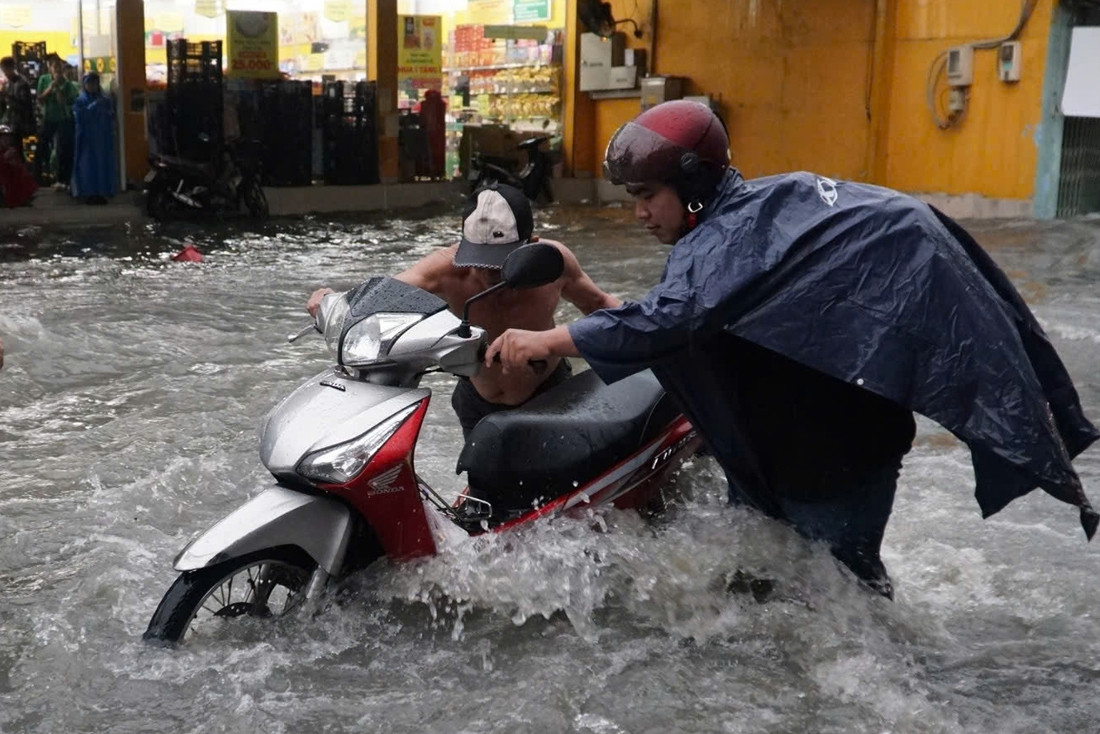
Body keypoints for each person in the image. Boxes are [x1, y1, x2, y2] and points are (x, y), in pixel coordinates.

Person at [486, 100, 1099, 597]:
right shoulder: (752, 223)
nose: (640, 213)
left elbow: (678, 314)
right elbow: (686, 315)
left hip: (835, 460)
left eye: (648, 195)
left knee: (850, 603)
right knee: (754, 589)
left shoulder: (735, 237)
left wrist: (551, 336)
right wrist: (601, 307)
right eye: (633, 199)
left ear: (694, 184)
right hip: (766, 453)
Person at [307, 183, 621, 440]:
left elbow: (600, 306)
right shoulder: (447, 269)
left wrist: (654, 331)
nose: (490, 274)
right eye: (481, 261)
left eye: (503, 262)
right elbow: (383, 295)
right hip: (478, 399)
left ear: (532, 245)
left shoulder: (554, 263)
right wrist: (333, 302)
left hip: (549, 390)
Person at [71, 72, 117, 205]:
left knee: (102, 165)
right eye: (89, 83)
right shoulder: (80, 101)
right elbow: (79, 117)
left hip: (102, 139)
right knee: (87, 166)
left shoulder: (105, 100)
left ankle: (102, 192)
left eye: (94, 83)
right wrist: (92, 107)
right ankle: (87, 193)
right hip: (86, 139)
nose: (92, 86)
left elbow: (111, 116)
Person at [35, 55, 79, 188]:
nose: (57, 72)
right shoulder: (44, 79)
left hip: (62, 119)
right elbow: (40, 98)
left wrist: (58, 87)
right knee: (41, 146)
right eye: (54, 68)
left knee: (62, 148)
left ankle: (61, 178)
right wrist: (50, 87)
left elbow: (63, 102)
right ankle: (39, 175)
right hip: (48, 118)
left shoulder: (67, 84)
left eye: (59, 69)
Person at [0, 56, 34, 161]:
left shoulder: (22, 83)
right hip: (9, 123)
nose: (5, 73)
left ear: (12, 68)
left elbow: (25, 105)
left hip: (20, 124)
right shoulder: (7, 84)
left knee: (17, 152)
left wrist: (8, 96)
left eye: (6, 70)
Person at [0, 124, 38, 207]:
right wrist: (5, 157)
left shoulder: (10, 150)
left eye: (8, 137)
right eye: (3, 137)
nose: (6, 140)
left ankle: (22, 197)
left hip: (9, 177)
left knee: (20, 172)